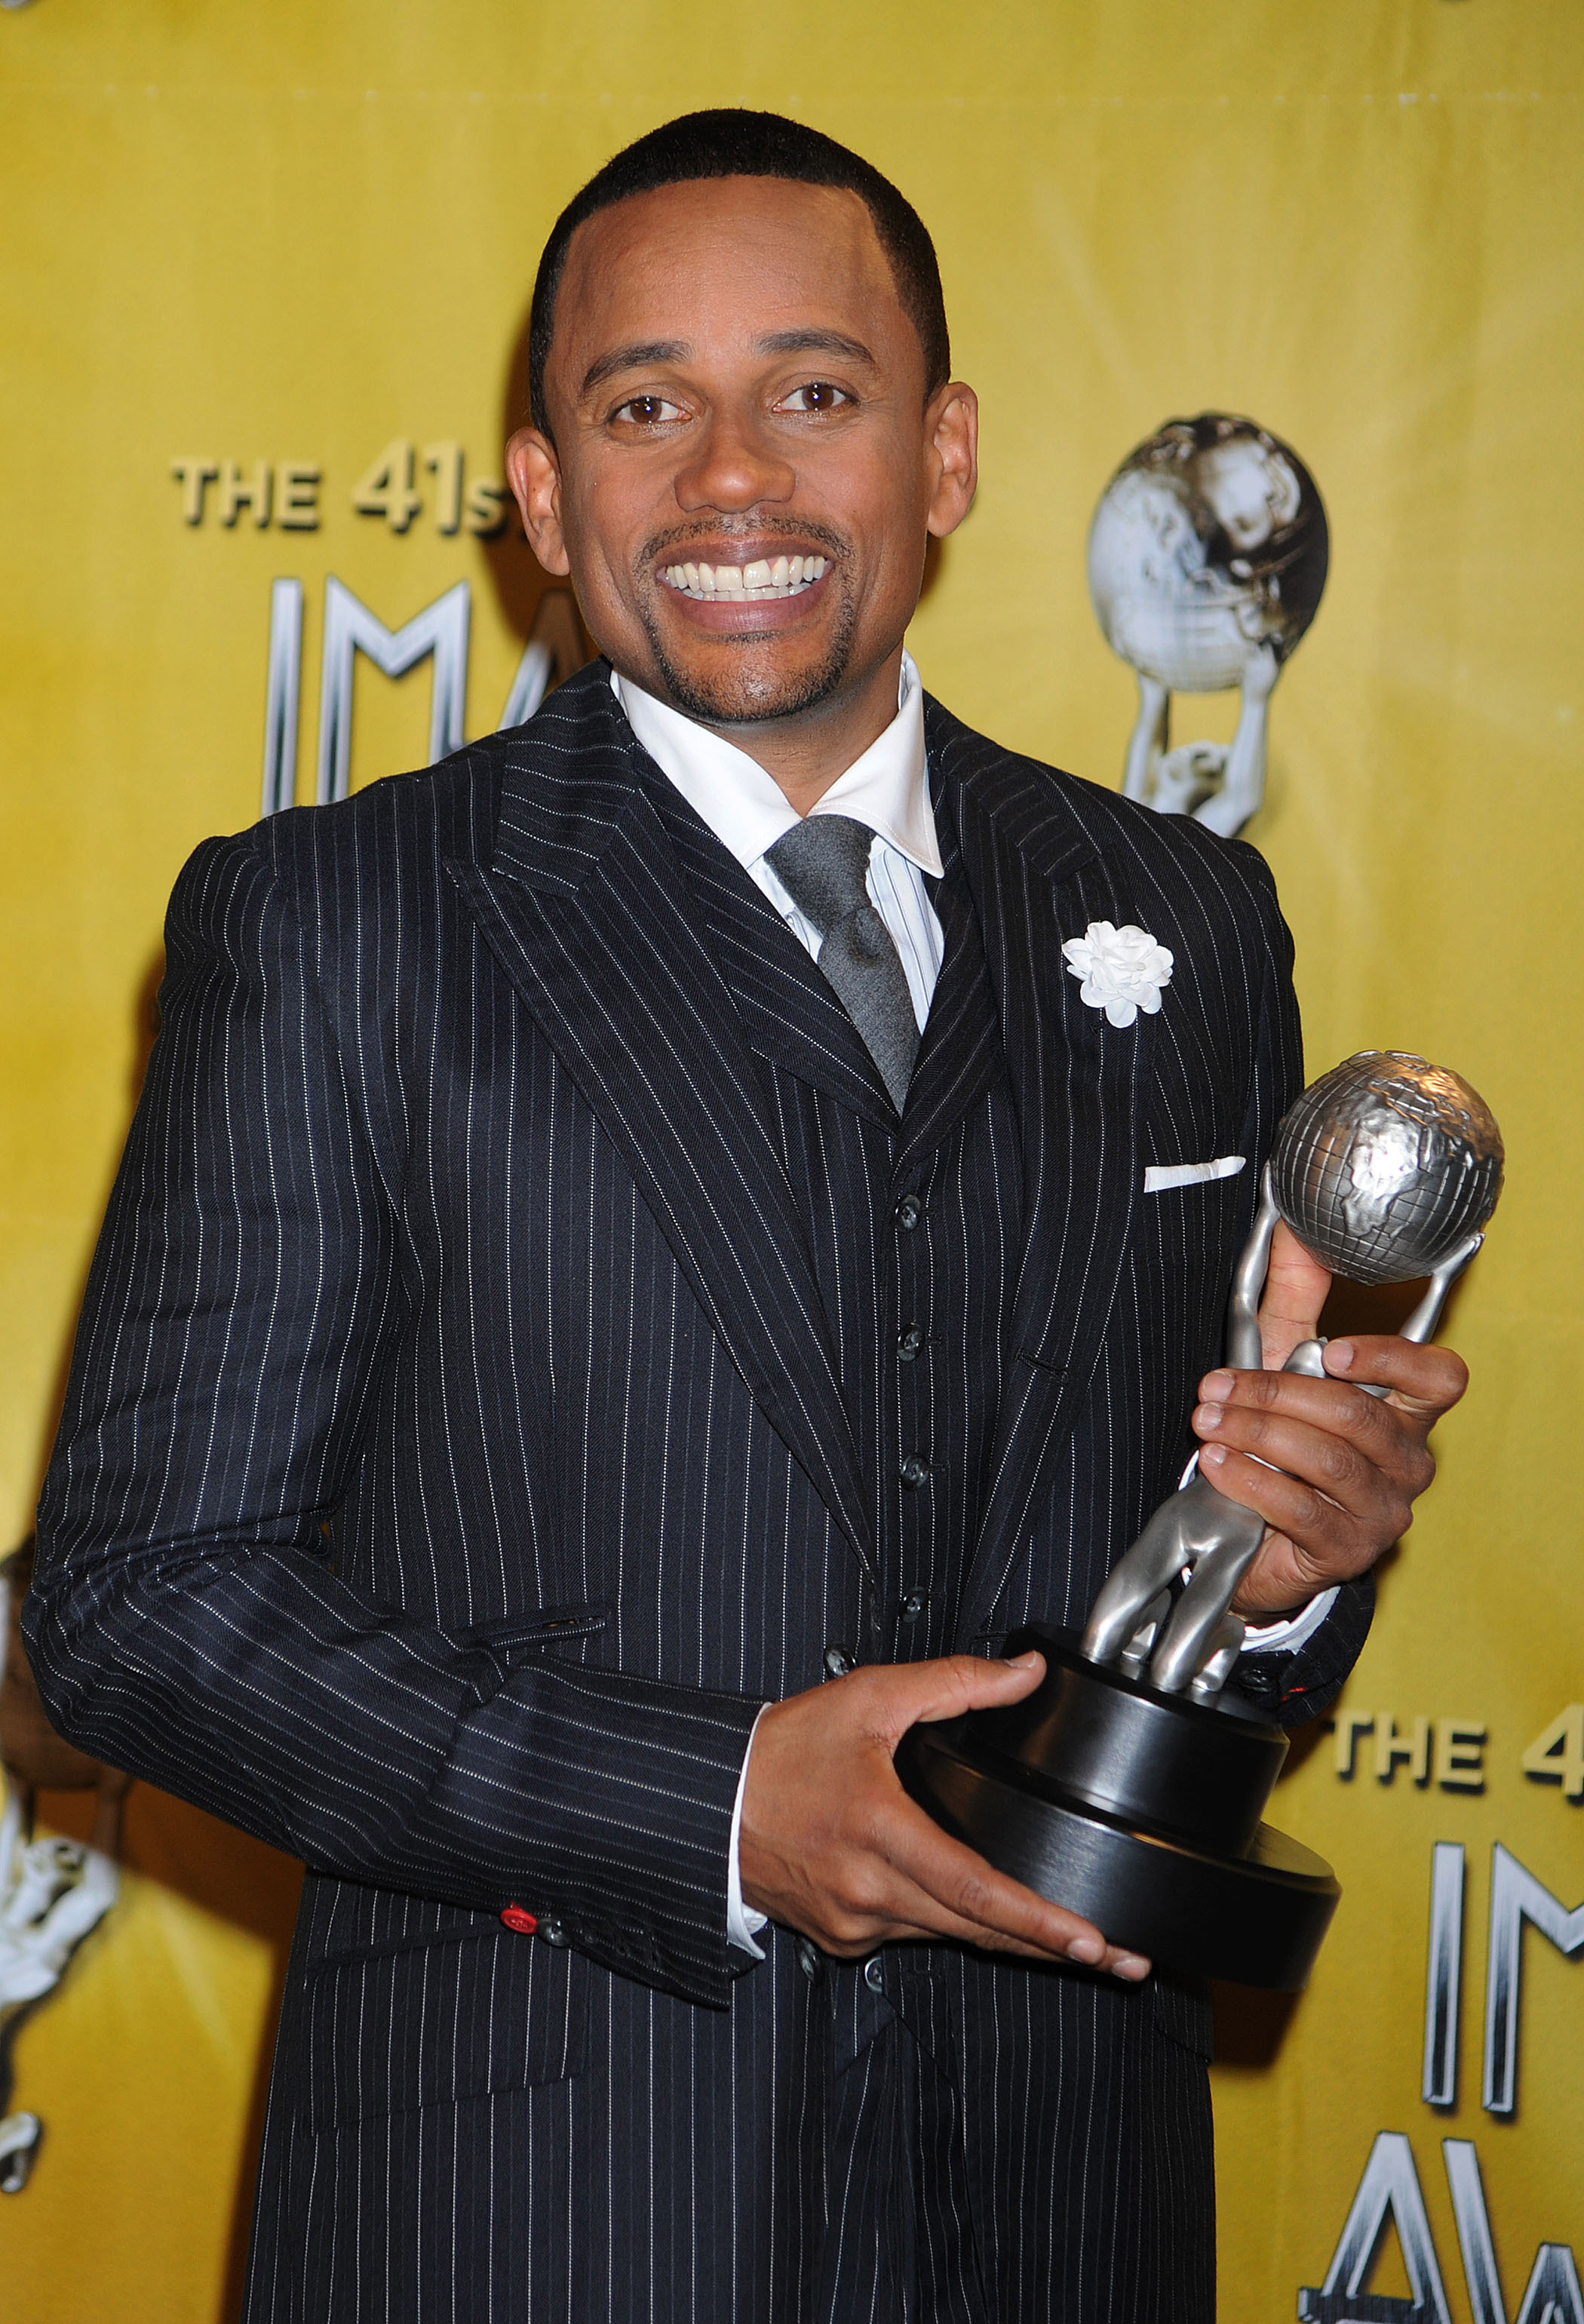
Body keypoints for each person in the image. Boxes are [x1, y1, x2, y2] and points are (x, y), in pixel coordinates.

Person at [27, 111, 1465, 2323]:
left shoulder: (1185, 913)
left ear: (944, 452)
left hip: (1059, 2207)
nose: (730, 481)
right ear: (540, 492)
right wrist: (705, 1801)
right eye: (642, 406)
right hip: (536, 2214)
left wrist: (1266, 1586)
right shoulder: (340, 922)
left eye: (813, 391)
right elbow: (136, 1605)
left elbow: (1192, 1602)